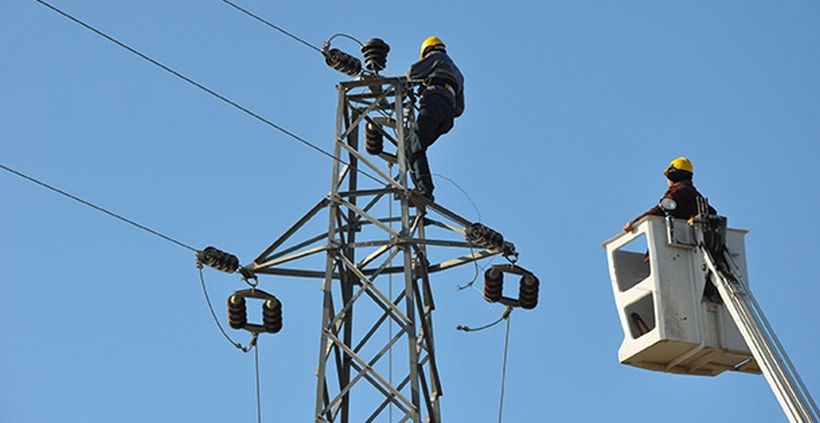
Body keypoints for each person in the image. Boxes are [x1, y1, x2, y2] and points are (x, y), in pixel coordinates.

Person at [406, 36, 465, 202]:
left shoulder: (436, 58)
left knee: (415, 146)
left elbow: (411, 74)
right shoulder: (458, 73)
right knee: (414, 148)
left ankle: (424, 190)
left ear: (426, 51)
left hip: (433, 103)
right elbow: (459, 109)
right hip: (446, 118)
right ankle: (421, 189)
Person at [623, 157, 716, 232]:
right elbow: (712, 213)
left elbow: (660, 210)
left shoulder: (676, 192)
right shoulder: (697, 197)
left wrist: (635, 223)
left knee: (650, 254)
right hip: (694, 245)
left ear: (673, 176)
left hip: (674, 244)